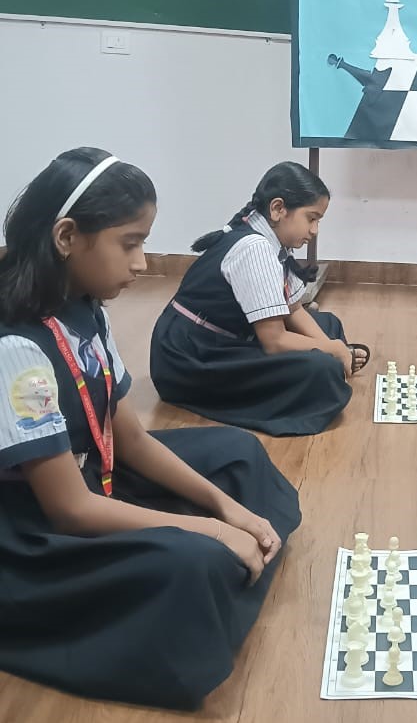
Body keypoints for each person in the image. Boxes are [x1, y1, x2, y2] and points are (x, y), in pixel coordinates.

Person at [0, 147, 301, 709]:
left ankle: (232, 563)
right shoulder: (16, 348)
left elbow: (130, 438)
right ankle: (221, 573)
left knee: (237, 453)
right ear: (67, 237)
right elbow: (70, 511)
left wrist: (223, 507)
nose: (142, 263)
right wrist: (212, 530)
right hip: (33, 529)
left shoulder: (86, 307)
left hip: (93, 469)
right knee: (194, 562)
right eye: (130, 243)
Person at [151, 161, 367, 435]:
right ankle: (332, 368)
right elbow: (275, 341)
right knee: (321, 369)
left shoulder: (272, 238)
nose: (315, 231)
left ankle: (335, 363)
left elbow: (293, 309)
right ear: (278, 209)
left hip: (220, 338)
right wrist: (332, 350)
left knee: (328, 324)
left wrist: (330, 345)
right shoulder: (255, 248)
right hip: (189, 359)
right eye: (311, 218)